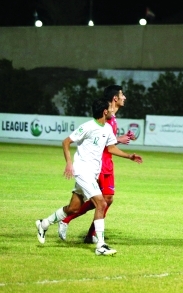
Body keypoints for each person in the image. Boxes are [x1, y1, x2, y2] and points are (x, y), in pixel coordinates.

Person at [35, 98, 143, 256]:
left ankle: (44, 223)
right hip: (82, 171)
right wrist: (69, 163)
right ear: (104, 111)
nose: (112, 111)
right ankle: (100, 245)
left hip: (92, 173)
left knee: (73, 208)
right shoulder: (88, 126)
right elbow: (66, 142)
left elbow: (111, 147)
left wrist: (129, 156)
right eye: (109, 109)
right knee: (101, 203)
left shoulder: (106, 128)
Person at [57, 85, 134, 244]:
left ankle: (89, 233)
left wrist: (119, 140)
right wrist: (119, 140)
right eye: (122, 95)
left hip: (108, 163)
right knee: (101, 200)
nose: (124, 97)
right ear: (115, 98)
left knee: (107, 199)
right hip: (99, 163)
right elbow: (100, 138)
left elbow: (107, 139)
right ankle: (75, 224)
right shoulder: (107, 115)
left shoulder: (113, 117)